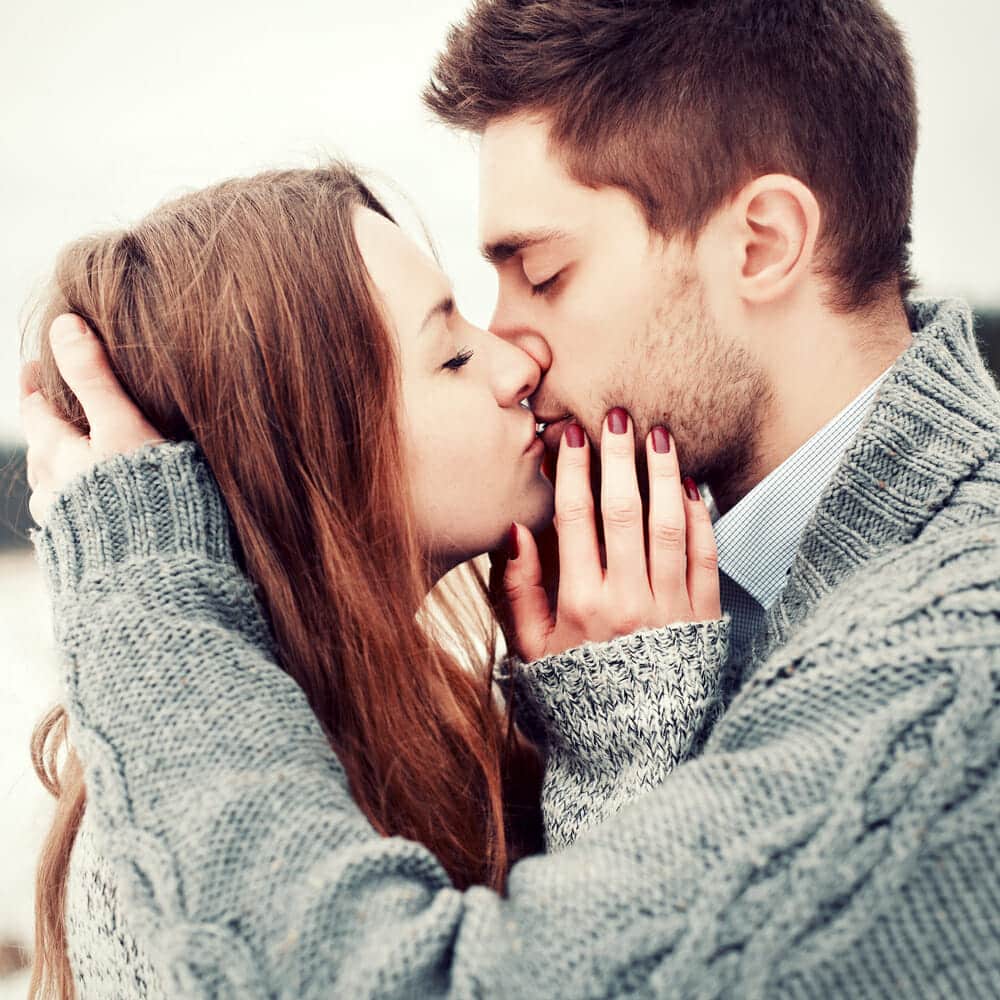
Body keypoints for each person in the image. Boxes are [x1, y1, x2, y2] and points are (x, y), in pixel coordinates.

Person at [22, 0, 1000, 997]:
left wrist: (144, 596)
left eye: (544, 273)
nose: (513, 352)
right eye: (452, 344)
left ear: (759, 244)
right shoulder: (642, 605)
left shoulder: (953, 657)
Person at [21, 164, 725, 999]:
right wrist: (627, 740)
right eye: (454, 354)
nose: (517, 366)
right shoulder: (151, 872)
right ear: (305, 454)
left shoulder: (436, 730)